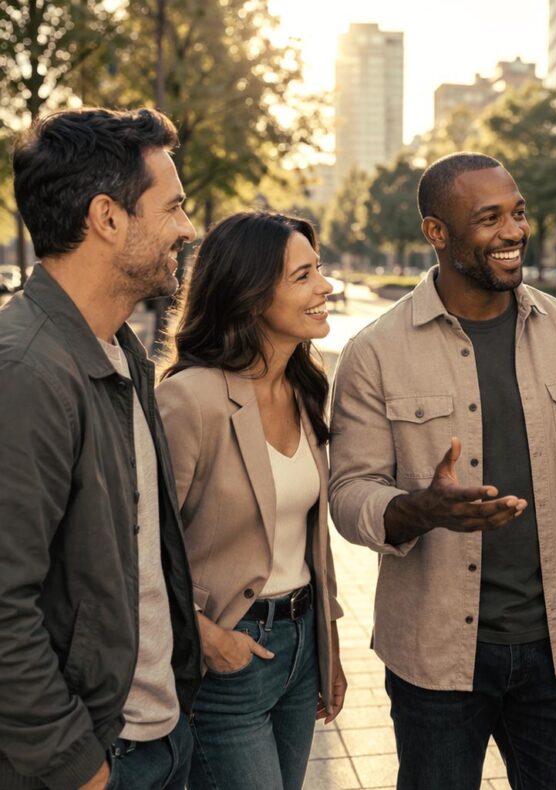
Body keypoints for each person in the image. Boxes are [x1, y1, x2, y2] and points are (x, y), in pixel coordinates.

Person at [329, 152, 556, 790]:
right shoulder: (374, 352)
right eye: (489, 218)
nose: (514, 231)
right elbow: (349, 494)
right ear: (437, 232)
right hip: (436, 658)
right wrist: (421, 509)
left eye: (518, 213)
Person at [0, 107, 201, 789]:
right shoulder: (27, 373)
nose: (187, 227)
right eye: (172, 207)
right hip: (94, 757)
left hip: (153, 734)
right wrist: (77, 766)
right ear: (108, 218)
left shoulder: (119, 350)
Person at [156, 212, 347, 790]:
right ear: (251, 291)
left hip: (300, 643)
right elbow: (141, 544)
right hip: (230, 655)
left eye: (320, 271)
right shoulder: (191, 400)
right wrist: (206, 637)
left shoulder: (305, 387)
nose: (325, 287)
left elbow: (308, 542)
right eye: (304, 276)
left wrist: (326, 650)